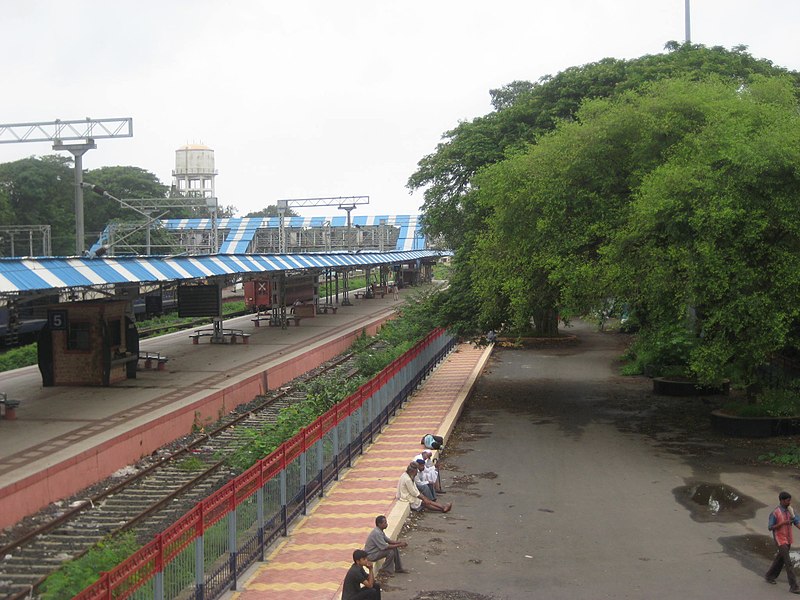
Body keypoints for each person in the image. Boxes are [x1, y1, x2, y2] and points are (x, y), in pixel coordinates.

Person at [765, 491, 800, 593]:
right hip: (780, 540)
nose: (789, 502)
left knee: (780, 559)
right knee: (788, 562)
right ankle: (794, 586)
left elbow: (797, 522)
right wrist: (783, 523)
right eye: (787, 500)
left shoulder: (790, 510)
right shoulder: (775, 513)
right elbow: (770, 527)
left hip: (788, 539)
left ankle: (769, 576)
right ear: (781, 500)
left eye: (789, 500)